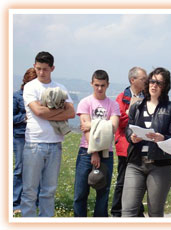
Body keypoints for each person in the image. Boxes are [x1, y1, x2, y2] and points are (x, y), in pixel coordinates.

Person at [122, 67, 171, 217]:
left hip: (160, 166)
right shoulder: (137, 106)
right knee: (128, 212)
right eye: (152, 81)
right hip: (135, 163)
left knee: (155, 213)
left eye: (159, 83)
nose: (154, 85)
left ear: (165, 87)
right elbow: (128, 129)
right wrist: (132, 137)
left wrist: (163, 138)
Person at [21, 51, 75, 217]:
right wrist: (59, 110)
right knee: (30, 191)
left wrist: (47, 112)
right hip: (34, 143)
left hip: (54, 144)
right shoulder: (30, 87)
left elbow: (71, 112)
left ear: (52, 68)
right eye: (38, 68)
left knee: (49, 191)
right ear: (34, 67)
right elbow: (38, 111)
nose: (41, 72)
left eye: (45, 69)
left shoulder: (60, 87)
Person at [73, 69, 120, 217]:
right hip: (86, 152)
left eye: (103, 85)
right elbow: (85, 129)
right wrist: (94, 152)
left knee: (103, 193)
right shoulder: (85, 102)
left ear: (107, 85)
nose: (99, 88)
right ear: (92, 84)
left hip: (107, 152)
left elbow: (112, 128)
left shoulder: (113, 105)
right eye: (97, 85)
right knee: (80, 193)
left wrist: (92, 124)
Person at [111, 67, 147, 217]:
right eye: (143, 79)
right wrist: (132, 113)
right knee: (122, 180)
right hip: (125, 146)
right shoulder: (121, 97)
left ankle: (137, 210)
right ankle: (117, 211)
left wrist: (130, 113)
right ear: (133, 80)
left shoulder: (147, 97)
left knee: (138, 181)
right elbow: (120, 120)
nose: (147, 81)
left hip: (141, 145)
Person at [13, 67, 37, 213]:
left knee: (37, 170)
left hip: (35, 135)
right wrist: (24, 118)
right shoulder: (17, 97)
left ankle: (34, 200)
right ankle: (15, 203)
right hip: (20, 135)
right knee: (21, 169)